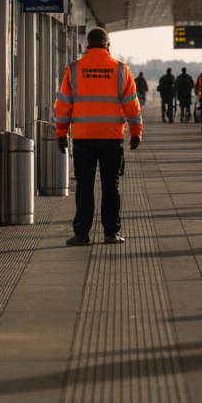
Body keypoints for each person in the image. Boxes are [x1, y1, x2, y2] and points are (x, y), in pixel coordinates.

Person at [54, 28, 142, 246]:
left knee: (84, 186)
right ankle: (111, 233)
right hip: (111, 138)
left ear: (87, 45)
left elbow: (63, 104)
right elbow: (132, 104)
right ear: (108, 45)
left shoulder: (74, 69)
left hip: (83, 138)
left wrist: (61, 133)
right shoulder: (121, 69)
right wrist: (136, 131)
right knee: (110, 186)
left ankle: (81, 234)